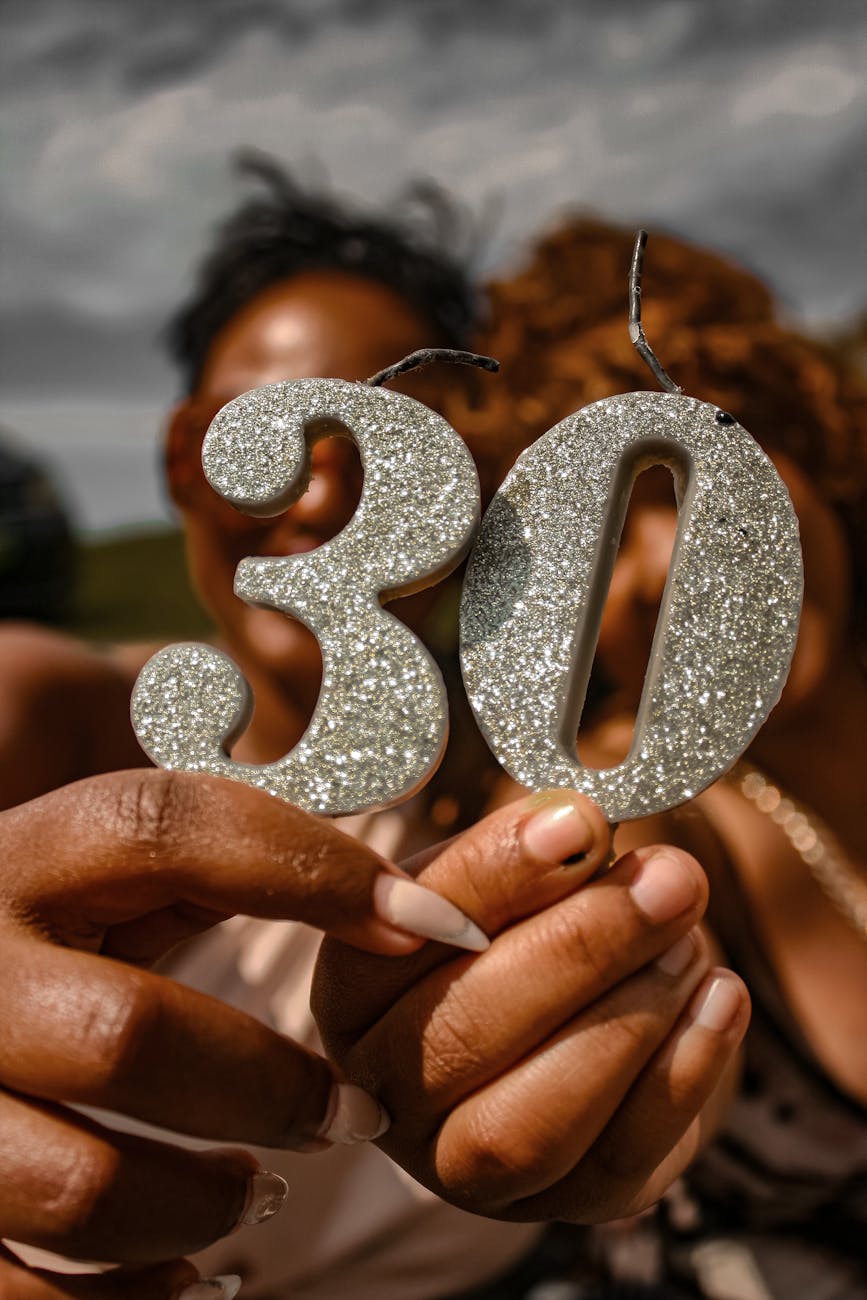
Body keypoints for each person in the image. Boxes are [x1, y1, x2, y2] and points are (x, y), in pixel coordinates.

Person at [0, 162, 750, 1299]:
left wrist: (647, 1097)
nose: (312, 501)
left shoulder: (563, 790)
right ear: (176, 463)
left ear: (476, 484)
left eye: (393, 454)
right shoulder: (52, 714)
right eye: (261, 439)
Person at [373, 215, 864, 1299]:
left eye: (679, 472)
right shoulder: (638, 811)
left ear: (806, 439)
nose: (651, 569)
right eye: (587, 547)